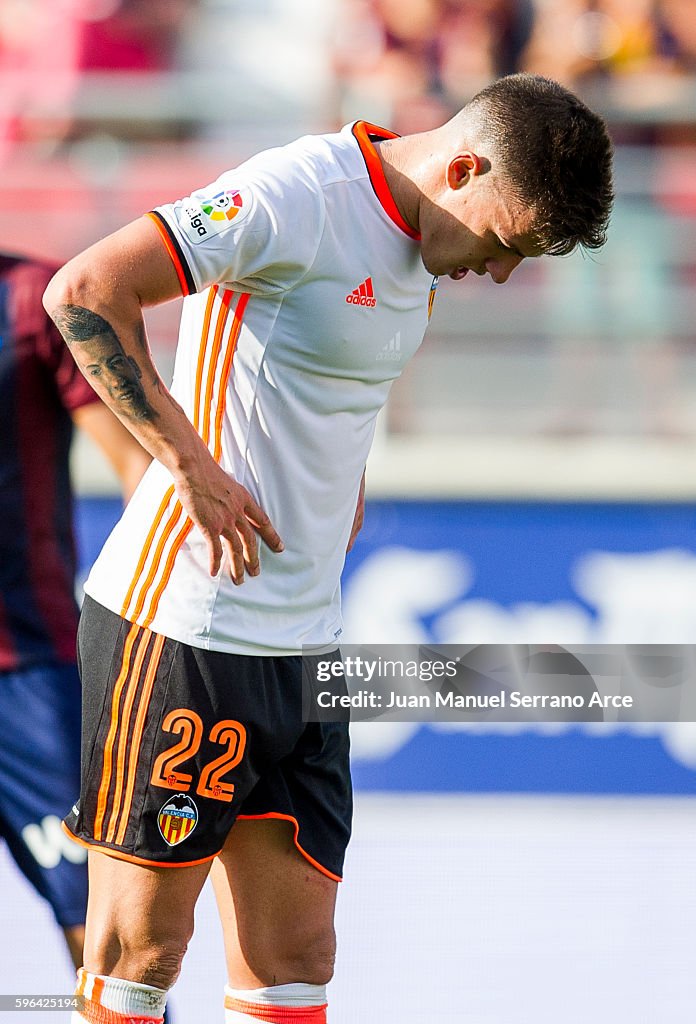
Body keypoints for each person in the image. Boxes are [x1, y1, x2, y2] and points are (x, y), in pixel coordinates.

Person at [43, 72, 613, 1024]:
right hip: (186, 623)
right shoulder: (300, 195)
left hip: (305, 642)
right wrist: (186, 464)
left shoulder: (421, 249)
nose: (502, 273)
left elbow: (320, 371)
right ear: (463, 168)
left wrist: (342, 482)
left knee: (298, 959)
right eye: (507, 243)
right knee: (140, 953)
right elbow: (86, 291)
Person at [0, 253, 151, 970]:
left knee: (105, 939)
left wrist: (140, 623)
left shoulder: (35, 299)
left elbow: (139, 468)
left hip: (29, 673)